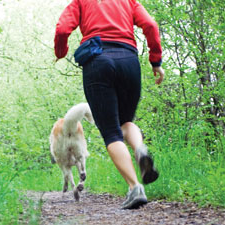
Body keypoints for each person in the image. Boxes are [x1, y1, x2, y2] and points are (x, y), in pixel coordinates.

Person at [54, 0, 164, 209]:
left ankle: (135, 188)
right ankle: (140, 149)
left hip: (98, 60)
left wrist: (60, 52)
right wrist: (155, 61)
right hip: (129, 61)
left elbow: (62, 29)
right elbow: (150, 25)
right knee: (125, 123)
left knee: (112, 133)